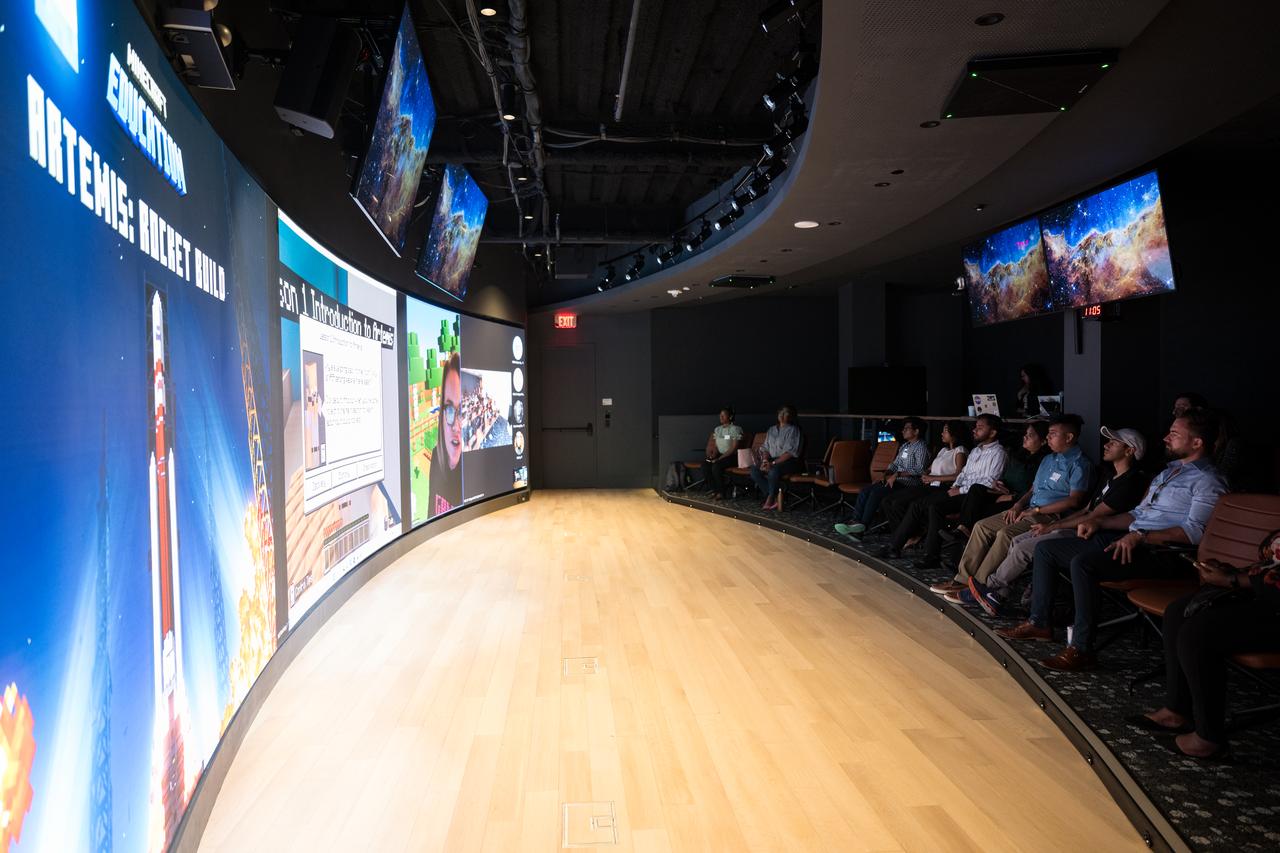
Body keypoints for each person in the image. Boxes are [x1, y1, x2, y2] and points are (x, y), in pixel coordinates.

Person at [999, 409, 1228, 672]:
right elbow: (1137, 514)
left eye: (1174, 434)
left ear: (1197, 442)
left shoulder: (1208, 480)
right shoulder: (1168, 473)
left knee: (1084, 563)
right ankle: (1040, 623)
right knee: (1046, 549)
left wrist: (1141, 536)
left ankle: (1082, 649)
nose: (1166, 438)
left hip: (1164, 554)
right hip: (1131, 540)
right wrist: (1099, 522)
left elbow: (1196, 532)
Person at [1127, 529, 1280, 760]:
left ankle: (1208, 737)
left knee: (1198, 633)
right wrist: (1230, 572)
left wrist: (1234, 580)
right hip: (1264, 594)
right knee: (1179, 612)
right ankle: (1176, 710)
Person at [963, 426, 1149, 616]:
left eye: (1114, 442)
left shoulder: (1131, 482)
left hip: (1095, 535)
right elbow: (1086, 509)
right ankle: (998, 595)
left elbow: (1094, 516)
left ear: (1129, 450)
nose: (1107, 445)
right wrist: (1047, 524)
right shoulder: (1110, 476)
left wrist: (1052, 525)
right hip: (1079, 526)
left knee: (1023, 547)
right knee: (1017, 540)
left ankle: (993, 587)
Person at [931, 414, 1091, 592]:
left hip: (1049, 516)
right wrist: (1018, 505)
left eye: (1053, 434)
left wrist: (1036, 509)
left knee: (1005, 534)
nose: (1048, 437)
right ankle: (961, 580)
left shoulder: (1080, 464)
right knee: (981, 526)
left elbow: (1074, 500)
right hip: (1028, 509)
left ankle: (979, 585)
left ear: (1069, 437)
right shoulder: (1048, 459)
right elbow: (1032, 490)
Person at [876, 415, 1005, 564]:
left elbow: (989, 481)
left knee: (930, 506)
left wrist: (960, 489)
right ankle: (899, 547)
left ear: (993, 432)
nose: (975, 430)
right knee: (919, 505)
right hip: (959, 490)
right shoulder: (976, 451)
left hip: (974, 496)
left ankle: (928, 554)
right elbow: (963, 473)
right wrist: (956, 485)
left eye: (980, 427)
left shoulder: (998, 453)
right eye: (975, 427)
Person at [834, 417, 929, 537]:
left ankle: (861, 528)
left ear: (916, 431)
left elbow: (921, 470)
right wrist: (886, 474)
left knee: (876, 493)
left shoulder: (921, 448)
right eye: (903, 428)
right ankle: (856, 522)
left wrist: (897, 474)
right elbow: (895, 464)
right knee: (865, 490)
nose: (903, 431)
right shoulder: (905, 446)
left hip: (908, 484)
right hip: (894, 480)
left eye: (907, 428)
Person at [877, 420, 968, 536]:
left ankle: (910, 535)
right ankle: (901, 535)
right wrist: (926, 474)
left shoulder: (960, 451)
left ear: (955, 433)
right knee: (887, 501)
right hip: (929, 484)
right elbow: (929, 469)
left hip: (942, 487)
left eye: (945, 431)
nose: (942, 433)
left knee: (898, 503)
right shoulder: (943, 450)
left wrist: (933, 478)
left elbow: (958, 475)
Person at [428, 353, 464, 517]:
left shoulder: (470, 468)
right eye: (449, 409)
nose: (456, 426)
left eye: (462, 411)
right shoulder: (436, 456)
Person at [750, 404, 803, 510]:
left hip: (788, 460)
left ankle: (770, 498)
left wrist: (772, 463)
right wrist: (765, 460)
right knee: (755, 470)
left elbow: (790, 452)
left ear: (790, 416)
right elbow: (766, 448)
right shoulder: (771, 429)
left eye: (786, 413)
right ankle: (775, 495)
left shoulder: (793, 430)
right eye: (781, 413)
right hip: (772, 459)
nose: (782, 416)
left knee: (773, 471)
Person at [704, 407, 744, 499]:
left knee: (716, 466)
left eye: (723, 415)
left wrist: (719, 459)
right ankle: (714, 490)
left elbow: (733, 448)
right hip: (721, 455)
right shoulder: (718, 429)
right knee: (705, 465)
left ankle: (721, 492)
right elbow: (717, 445)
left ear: (730, 417)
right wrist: (714, 455)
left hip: (732, 456)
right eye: (720, 415)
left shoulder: (735, 429)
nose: (721, 417)